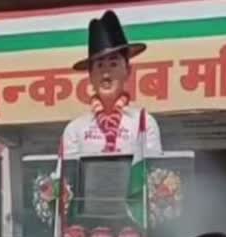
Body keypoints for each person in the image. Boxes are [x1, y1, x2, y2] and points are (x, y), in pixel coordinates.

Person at [60, 10, 161, 161]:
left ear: (127, 70)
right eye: (100, 65)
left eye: (113, 64)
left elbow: (154, 176)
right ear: (90, 75)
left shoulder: (145, 123)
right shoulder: (75, 130)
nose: (106, 73)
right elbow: (67, 179)